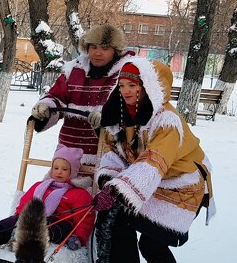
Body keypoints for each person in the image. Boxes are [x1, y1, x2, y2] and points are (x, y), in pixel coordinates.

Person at [89, 59, 216, 263]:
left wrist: (118, 189)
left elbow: (154, 160)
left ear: (149, 87)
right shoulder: (122, 114)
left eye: (133, 85)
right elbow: (116, 155)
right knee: (124, 227)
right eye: (122, 85)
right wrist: (107, 181)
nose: (126, 91)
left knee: (151, 241)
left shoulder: (167, 121)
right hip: (148, 181)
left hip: (183, 185)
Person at [30, 24, 149, 187]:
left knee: (93, 200)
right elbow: (57, 95)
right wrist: (45, 108)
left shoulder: (126, 72)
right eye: (93, 47)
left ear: (116, 50)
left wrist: (108, 117)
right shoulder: (74, 70)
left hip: (105, 154)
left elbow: (133, 107)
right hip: (67, 153)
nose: (97, 53)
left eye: (105, 48)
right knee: (54, 193)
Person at [0, 146, 95, 251]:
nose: (59, 171)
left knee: (43, 224)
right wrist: (19, 216)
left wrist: (79, 237)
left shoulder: (79, 193)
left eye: (65, 169)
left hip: (61, 225)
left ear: (73, 172)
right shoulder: (40, 186)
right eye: (56, 168)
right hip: (33, 218)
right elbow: (26, 202)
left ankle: (22, 241)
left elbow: (84, 220)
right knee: (16, 220)